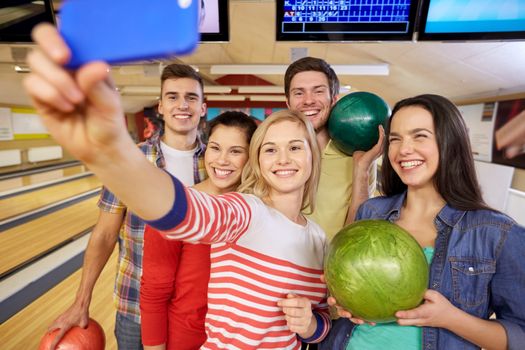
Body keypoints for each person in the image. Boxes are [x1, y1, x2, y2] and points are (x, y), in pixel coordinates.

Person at [24, 24, 331, 349]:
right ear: (259, 160)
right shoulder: (244, 213)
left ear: (314, 155)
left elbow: (322, 321)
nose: (283, 157)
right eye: (270, 148)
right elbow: (188, 212)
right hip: (148, 311)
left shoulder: (318, 239)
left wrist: (311, 324)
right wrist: (116, 152)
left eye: (295, 147)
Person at [320, 94, 525, 350]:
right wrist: (346, 305)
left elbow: (520, 336)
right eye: (396, 139)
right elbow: (343, 299)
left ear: (449, 142)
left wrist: (450, 319)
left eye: (419, 136)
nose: (404, 149)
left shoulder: (496, 233)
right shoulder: (371, 213)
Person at [44, 61, 208, 350]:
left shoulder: (219, 164)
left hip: (199, 308)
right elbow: (105, 235)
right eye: (173, 97)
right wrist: (81, 302)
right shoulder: (128, 160)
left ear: (203, 107)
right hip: (136, 307)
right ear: (160, 106)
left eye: (191, 97)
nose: (182, 105)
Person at [140, 111, 257, 350]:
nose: (222, 160)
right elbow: (154, 294)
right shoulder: (177, 208)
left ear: (252, 157)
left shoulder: (259, 212)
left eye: (235, 151)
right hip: (187, 341)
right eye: (215, 148)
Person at [284, 57, 384, 241]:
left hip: (331, 265)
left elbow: (357, 230)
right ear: (288, 103)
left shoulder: (358, 157)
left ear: (334, 100)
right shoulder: (276, 156)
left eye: (318, 91)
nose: (308, 101)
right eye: (299, 93)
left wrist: (361, 171)